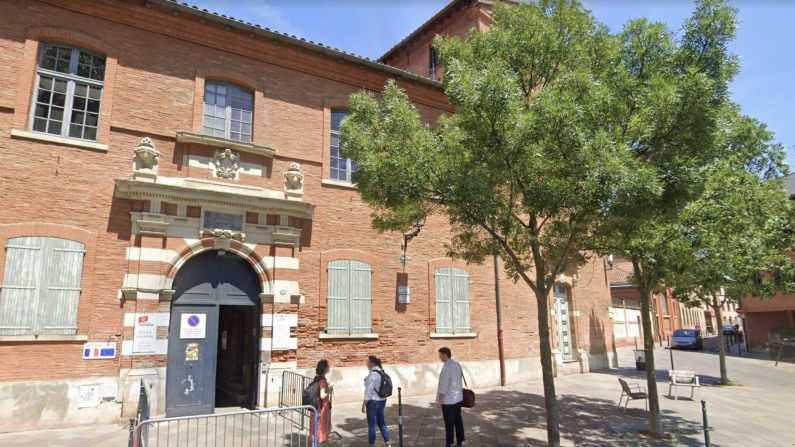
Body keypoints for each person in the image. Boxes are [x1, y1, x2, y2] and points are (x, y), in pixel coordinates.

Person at [436, 347, 465, 447]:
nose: (439, 357)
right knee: (458, 420)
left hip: (449, 401)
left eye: (440, 355)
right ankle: (460, 442)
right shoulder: (457, 365)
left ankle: (448, 444)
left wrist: (440, 401)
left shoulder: (446, 368)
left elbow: (443, 388)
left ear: (445, 355)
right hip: (458, 398)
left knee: (449, 423)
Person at [362, 355, 391, 447]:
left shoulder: (372, 374)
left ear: (372, 363)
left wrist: (363, 405)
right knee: (381, 422)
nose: (367, 364)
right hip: (382, 401)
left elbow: (368, 393)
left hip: (373, 402)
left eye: (368, 363)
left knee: (372, 425)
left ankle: (371, 445)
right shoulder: (381, 372)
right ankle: (388, 443)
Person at [310, 359, 332, 445]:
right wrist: (329, 391)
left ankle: (315, 441)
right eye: (328, 366)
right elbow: (322, 395)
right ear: (325, 368)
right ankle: (319, 442)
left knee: (315, 425)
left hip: (315, 406)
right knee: (320, 425)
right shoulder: (322, 381)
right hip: (321, 408)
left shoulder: (316, 378)